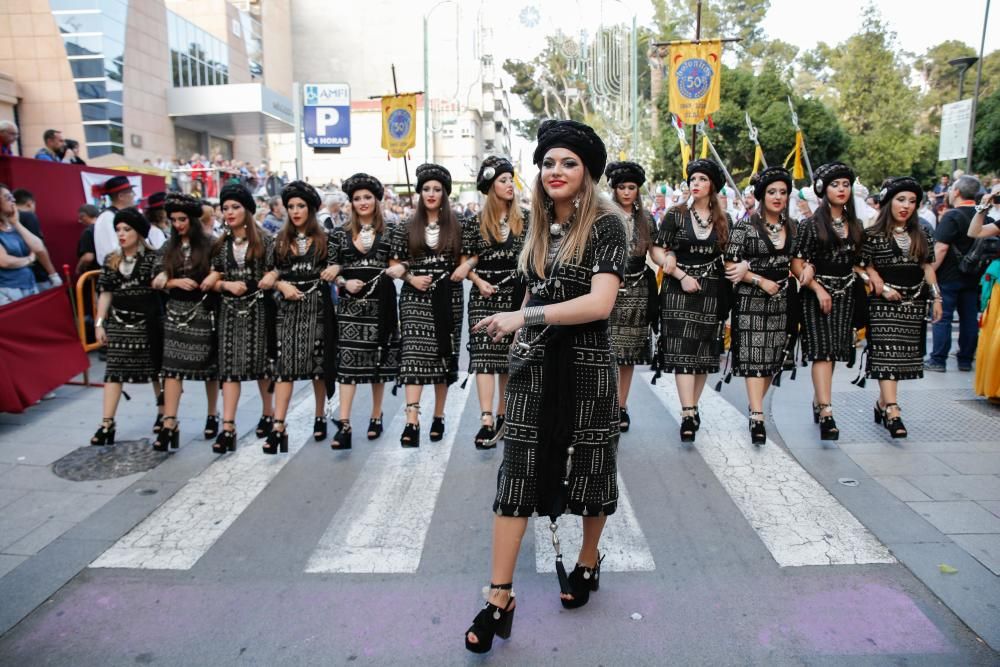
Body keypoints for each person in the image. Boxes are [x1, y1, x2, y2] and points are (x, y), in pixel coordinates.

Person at [464, 119, 625, 654]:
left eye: (569, 163)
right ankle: (499, 597)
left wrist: (525, 316)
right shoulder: (534, 225)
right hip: (533, 370)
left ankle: (587, 558)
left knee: (590, 470)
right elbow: (527, 288)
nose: (556, 171)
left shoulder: (606, 224)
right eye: (549, 163)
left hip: (585, 369)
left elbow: (600, 303)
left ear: (587, 174)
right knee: (517, 475)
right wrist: (502, 314)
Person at [649, 158, 732, 443]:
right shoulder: (675, 214)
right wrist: (675, 267)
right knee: (683, 350)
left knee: (703, 354)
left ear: (712, 186)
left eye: (702, 180)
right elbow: (657, 250)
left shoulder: (724, 220)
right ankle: (687, 412)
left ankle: (692, 406)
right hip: (678, 289)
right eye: (692, 179)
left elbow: (730, 256)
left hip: (711, 288)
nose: (695, 184)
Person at [386, 163, 465, 447]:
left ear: (445, 193)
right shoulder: (406, 225)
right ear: (420, 193)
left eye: (437, 189)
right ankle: (412, 419)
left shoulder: (458, 225)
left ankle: (439, 416)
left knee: (443, 354)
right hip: (414, 297)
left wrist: (464, 268)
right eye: (427, 189)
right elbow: (394, 261)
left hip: (448, 295)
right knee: (414, 355)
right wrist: (410, 277)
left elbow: (467, 257)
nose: (431, 194)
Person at [453, 156, 528, 447]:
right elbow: (465, 260)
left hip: (515, 293)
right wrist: (478, 281)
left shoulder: (527, 218)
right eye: (503, 180)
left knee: (508, 358)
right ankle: (485, 419)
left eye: (511, 179)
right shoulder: (473, 223)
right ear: (490, 186)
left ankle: (503, 415)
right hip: (484, 293)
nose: (510, 185)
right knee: (484, 358)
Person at [322, 173, 400, 449]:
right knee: (347, 366)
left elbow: (399, 263)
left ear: (376, 200)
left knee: (377, 364)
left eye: (367, 197)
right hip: (350, 309)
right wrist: (343, 280)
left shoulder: (391, 230)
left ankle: (376, 416)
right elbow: (330, 271)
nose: (363, 202)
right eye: (357, 198)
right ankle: (344, 425)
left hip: (382, 305)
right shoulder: (339, 234)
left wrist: (398, 269)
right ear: (351, 203)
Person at [861, 177, 942, 438]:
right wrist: (880, 285)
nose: (906, 205)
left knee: (901, 359)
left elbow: (927, 266)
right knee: (886, 355)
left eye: (912, 201)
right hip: (883, 303)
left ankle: (882, 403)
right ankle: (893, 410)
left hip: (913, 301)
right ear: (889, 202)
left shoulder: (923, 233)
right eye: (900, 199)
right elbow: (862, 265)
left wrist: (937, 298)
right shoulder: (872, 234)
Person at [790, 162, 866, 440]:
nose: (841, 189)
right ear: (823, 189)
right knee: (821, 351)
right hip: (816, 295)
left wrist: (871, 277)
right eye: (835, 184)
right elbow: (797, 264)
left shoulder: (855, 226)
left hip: (846, 294)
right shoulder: (810, 225)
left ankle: (819, 399)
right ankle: (826, 410)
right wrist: (817, 288)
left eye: (846, 184)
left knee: (833, 351)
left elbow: (858, 262)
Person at [723, 167, 796, 445]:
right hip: (751, 300)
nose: (778, 197)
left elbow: (797, 260)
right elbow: (730, 264)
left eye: (782, 192)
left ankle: (757, 409)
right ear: (762, 195)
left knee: (773, 359)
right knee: (754, 357)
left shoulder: (793, 227)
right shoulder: (745, 226)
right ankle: (757, 415)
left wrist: (807, 272)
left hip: (782, 300)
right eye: (772, 192)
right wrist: (757, 279)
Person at [207, 185, 278, 453]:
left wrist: (273, 276)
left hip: (259, 309)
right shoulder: (220, 244)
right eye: (225, 208)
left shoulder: (266, 240)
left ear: (247, 210)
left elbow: (277, 270)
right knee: (229, 369)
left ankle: (268, 413)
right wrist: (224, 286)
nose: (229, 212)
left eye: (235, 207)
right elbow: (213, 279)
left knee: (263, 365)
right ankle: (228, 428)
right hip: (229, 311)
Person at [268, 180, 334, 454]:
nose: (295, 211)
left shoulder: (325, 239)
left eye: (300, 206)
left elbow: (334, 268)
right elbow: (270, 272)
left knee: (319, 366)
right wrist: (280, 284)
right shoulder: (280, 241)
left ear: (311, 209)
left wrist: (335, 272)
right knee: (285, 368)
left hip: (316, 307)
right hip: (288, 311)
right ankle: (278, 426)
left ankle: (320, 416)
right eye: (291, 206)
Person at [150, 194, 219, 451]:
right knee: (171, 368)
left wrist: (213, 277)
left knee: (209, 367)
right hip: (176, 312)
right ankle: (170, 422)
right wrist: (172, 281)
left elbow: (222, 267)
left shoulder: (211, 243)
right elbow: (154, 275)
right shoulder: (169, 247)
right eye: (173, 220)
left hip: (203, 310)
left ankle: (213, 414)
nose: (178, 224)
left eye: (182, 219)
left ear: (192, 219)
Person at [89, 208, 162, 445]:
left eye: (127, 229)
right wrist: (100, 324)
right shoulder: (112, 259)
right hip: (119, 323)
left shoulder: (153, 258)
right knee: (113, 372)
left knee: (156, 370)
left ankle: (163, 415)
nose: (121, 234)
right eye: (118, 229)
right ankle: (107, 424)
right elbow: (105, 293)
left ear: (139, 233)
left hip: (148, 322)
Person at [604, 160, 656, 433]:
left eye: (632, 187)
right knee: (608, 351)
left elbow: (655, 251)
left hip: (638, 289)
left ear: (638, 190)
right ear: (614, 189)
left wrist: (670, 263)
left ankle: (622, 406)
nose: (626, 192)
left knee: (628, 355)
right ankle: (608, 404)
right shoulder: (603, 215)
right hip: (608, 289)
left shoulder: (646, 220)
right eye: (622, 187)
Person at [926, 175, 981, 372]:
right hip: (973, 275)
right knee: (969, 317)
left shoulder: (952, 216)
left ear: (956, 192)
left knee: (942, 316)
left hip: (948, 276)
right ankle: (965, 359)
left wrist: (929, 270)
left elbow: (940, 248)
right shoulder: (984, 215)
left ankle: (938, 359)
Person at [95, 176, 166, 265]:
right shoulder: (107, 218)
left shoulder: (121, 215)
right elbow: (110, 252)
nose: (134, 195)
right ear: (121, 196)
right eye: (131, 192)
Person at [0, 183, 42, 305]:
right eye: (8, 197)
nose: (13, 200)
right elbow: (4, 261)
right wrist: (29, 259)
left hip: (29, 284)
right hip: (7, 291)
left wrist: (16, 223)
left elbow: (38, 248)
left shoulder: (13, 225)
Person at [13, 188, 61, 288]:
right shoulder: (28, 216)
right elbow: (39, 248)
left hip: (14, 277)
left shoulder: (5, 219)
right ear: (30, 203)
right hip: (36, 275)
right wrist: (53, 274)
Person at [76, 204, 100, 275]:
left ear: (84, 216)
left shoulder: (88, 232)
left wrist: (78, 268)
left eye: (80, 218)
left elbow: (88, 257)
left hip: (94, 274)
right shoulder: (107, 228)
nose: (80, 221)